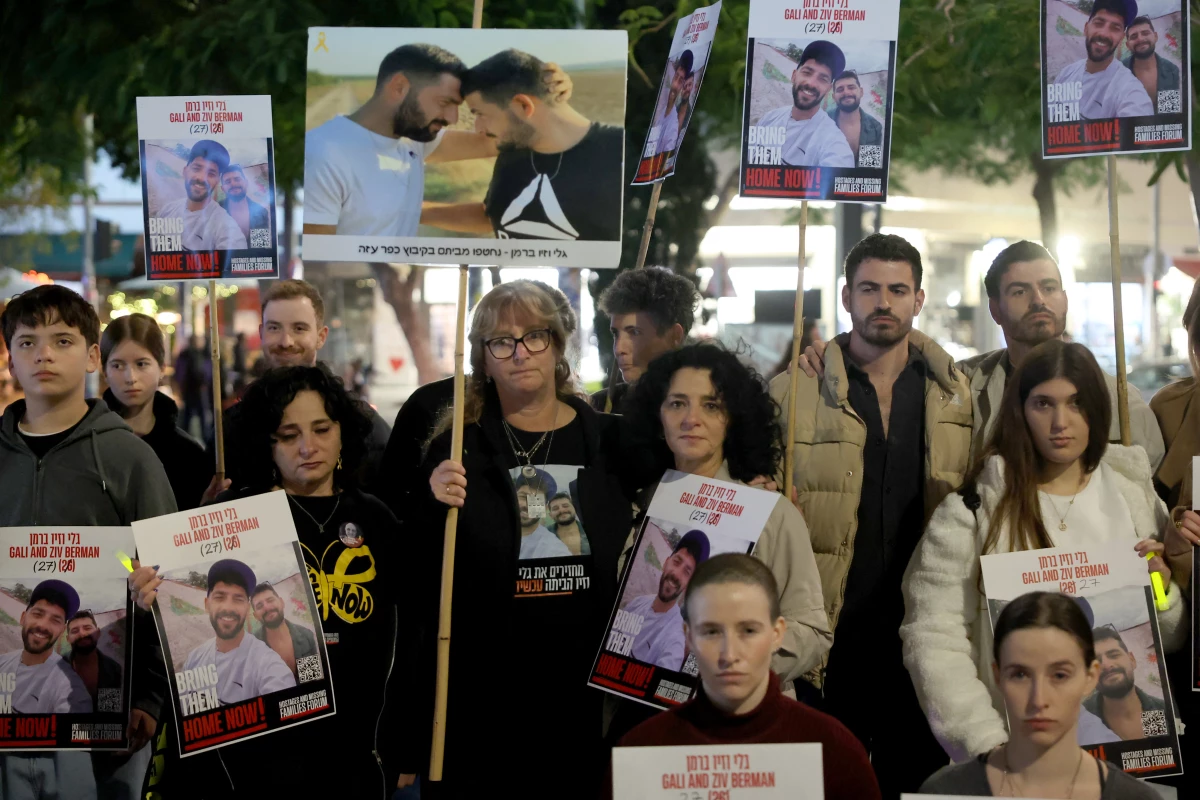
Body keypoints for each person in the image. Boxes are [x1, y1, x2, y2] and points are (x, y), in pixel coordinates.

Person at [900, 340, 1186, 764]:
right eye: (1043, 404)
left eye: (1076, 403)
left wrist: (1162, 591)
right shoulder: (971, 512)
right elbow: (933, 638)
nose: (1060, 422)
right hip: (1015, 762)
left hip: (1130, 764)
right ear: (1020, 410)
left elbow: (1167, 641)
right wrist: (985, 744)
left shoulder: (1134, 496)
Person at [768, 233, 971, 798]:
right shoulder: (791, 393)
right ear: (846, 296)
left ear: (919, 298)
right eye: (870, 289)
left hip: (926, 634)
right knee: (832, 782)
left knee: (922, 782)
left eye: (897, 290)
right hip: (832, 637)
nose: (884, 302)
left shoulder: (957, 394)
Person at [138, 364, 403, 798]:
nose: (307, 447)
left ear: (343, 432)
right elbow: (182, 636)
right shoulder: (234, 516)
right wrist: (148, 600)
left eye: (321, 429)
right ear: (267, 442)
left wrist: (400, 741)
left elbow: (412, 634)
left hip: (355, 753)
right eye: (287, 435)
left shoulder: (376, 518)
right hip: (253, 762)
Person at [411, 279, 633, 796]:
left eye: (535, 336)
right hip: (487, 698)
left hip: (588, 694)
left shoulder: (612, 443)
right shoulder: (457, 451)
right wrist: (428, 504)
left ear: (557, 346)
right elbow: (421, 578)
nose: (519, 352)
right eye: (501, 342)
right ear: (483, 361)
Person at [2, 284, 175, 800]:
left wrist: (147, 696)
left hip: (106, 724)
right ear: (9, 356)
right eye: (27, 342)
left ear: (93, 355)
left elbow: (168, 587)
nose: (44, 354)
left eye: (62, 340)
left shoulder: (128, 458)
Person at [609, 554, 881, 800]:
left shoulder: (834, 753)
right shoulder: (641, 751)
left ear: (777, 634)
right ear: (688, 636)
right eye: (711, 632)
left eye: (748, 631)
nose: (730, 653)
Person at [304, 44, 572, 238]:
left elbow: (499, 141)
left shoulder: (411, 139)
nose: (453, 118)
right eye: (445, 103)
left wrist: (548, 98)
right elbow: (319, 256)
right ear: (399, 87)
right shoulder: (326, 152)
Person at [919, 592, 1160, 798]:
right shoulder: (943, 792)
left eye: (1059, 675)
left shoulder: (1137, 797)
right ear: (998, 676)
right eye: (1020, 675)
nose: (1039, 699)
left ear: (1090, 678)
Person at [963, 241, 1163, 468]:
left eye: (1049, 288)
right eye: (1020, 291)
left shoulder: (1118, 400)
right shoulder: (967, 386)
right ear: (995, 310)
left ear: (1065, 299)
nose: (1038, 300)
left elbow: (1147, 479)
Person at [420, 49, 624, 241]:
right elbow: (495, 216)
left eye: (481, 114)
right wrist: (412, 212)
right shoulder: (514, 148)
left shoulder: (620, 154)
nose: (478, 129)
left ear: (524, 105)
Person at [214, 280, 391, 493]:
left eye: (299, 328)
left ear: (321, 336)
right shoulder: (234, 424)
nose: (286, 341)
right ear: (261, 333)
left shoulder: (359, 422)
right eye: (274, 328)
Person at [102, 313, 217, 510]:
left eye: (141, 364)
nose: (130, 377)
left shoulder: (188, 455)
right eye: (118, 365)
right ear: (104, 371)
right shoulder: (88, 446)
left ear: (162, 368)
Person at [181, 559, 297, 705]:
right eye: (219, 597)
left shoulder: (268, 664)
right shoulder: (194, 659)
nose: (228, 607)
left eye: (238, 599)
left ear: (248, 609)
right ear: (207, 605)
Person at [592, 266, 699, 412]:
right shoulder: (598, 408)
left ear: (675, 336)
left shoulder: (706, 410)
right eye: (616, 334)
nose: (618, 349)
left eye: (635, 333)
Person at [755, 40, 854, 168]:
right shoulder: (769, 118)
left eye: (822, 79)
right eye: (807, 72)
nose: (811, 83)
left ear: (828, 89)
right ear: (794, 76)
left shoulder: (833, 143)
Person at [1050, 0, 1153, 120]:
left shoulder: (1128, 89)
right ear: (1086, 28)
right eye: (1098, 23)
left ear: (1121, 38)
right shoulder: (1067, 73)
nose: (1104, 33)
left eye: (1115, 28)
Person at [0, 580, 93, 714]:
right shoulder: (2, 662)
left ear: (62, 630)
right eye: (37, 614)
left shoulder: (69, 688)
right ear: (23, 618)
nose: (43, 625)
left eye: (55, 620)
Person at [623, 530, 710, 671]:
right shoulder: (637, 602)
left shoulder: (674, 639)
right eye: (677, 562)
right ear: (666, 563)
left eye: (687, 572)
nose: (676, 574)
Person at [153, 140, 247, 251]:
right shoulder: (167, 211)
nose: (202, 178)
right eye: (196, 168)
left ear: (217, 181)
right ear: (185, 171)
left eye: (211, 173)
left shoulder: (226, 229)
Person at [1082, 627, 1165, 740]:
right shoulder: (1079, 723)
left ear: (1132, 660)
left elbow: (1159, 750)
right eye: (1096, 662)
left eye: (1114, 655)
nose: (1106, 664)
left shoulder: (1163, 711)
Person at [250, 583, 318, 682]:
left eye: (270, 600)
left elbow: (310, 681)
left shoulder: (306, 636)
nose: (267, 608)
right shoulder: (251, 649)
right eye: (260, 606)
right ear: (256, 616)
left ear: (281, 602)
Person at [66, 610, 124, 711]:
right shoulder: (56, 667)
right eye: (75, 631)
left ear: (98, 633)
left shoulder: (113, 668)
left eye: (87, 628)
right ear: (68, 639)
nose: (82, 634)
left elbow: (108, 712)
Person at [1123, 16, 1182, 114]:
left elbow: (1168, 113)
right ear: (1128, 45)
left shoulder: (1171, 70)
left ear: (1155, 37)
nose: (1140, 39)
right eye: (1134, 36)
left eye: (1145, 33)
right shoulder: (1119, 72)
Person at [514, 466, 574, 557]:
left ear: (544, 509)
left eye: (536, 500)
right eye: (522, 496)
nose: (526, 505)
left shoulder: (553, 549)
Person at [828, 70, 883, 167]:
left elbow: (869, 168)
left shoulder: (874, 127)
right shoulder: (823, 123)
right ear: (834, 97)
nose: (846, 92)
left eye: (851, 87)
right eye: (840, 89)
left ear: (861, 92)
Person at [651, 49, 692, 157]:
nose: (676, 82)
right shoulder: (661, 107)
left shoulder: (673, 126)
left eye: (681, 80)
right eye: (676, 76)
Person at [218, 164, 271, 246]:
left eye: (237, 179)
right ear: (223, 189)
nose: (233, 184)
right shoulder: (215, 212)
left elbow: (260, 247)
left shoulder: (261, 212)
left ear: (246, 183)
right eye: (228, 181)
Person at [173, 334, 212, 443]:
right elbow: (207, 373)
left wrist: (179, 387)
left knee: (188, 417)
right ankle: (206, 441)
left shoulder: (186, 354)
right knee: (202, 418)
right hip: (199, 390)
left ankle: (183, 439)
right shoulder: (202, 354)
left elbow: (179, 373)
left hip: (190, 390)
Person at [548, 491, 587, 555]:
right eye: (555, 508)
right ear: (551, 515)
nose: (562, 510)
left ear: (574, 508)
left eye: (565, 506)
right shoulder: (543, 536)